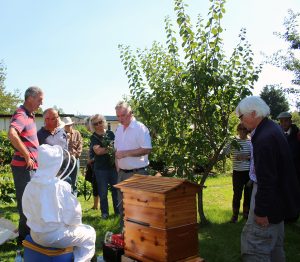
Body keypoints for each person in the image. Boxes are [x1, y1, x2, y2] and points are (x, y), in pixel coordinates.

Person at [236, 96, 300, 261]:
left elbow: (267, 179)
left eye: (241, 116)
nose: (241, 122)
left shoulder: (265, 138)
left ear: (254, 113)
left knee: (254, 247)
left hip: (269, 201)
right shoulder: (271, 128)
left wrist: (261, 211)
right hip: (278, 200)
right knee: (275, 247)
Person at [22, 144, 96, 262]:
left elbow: (26, 211)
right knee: (90, 233)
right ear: (56, 165)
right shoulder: (60, 186)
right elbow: (74, 216)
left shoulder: (31, 184)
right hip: (55, 237)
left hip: (35, 234)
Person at [8, 86, 43, 244]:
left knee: (31, 201)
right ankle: (24, 238)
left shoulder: (30, 115)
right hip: (23, 167)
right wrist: (26, 154)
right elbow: (12, 134)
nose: (41, 103)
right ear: (30, 98)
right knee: (26, 203)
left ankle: (29, 235)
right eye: (39, 99)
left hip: (30, 167)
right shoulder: (21, 114)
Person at [114, 101, 152, 226]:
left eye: (123, 115)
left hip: (138, 174)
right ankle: (124, 235)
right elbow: (116, 151)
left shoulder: (140, 128)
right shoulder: (119, 129)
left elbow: (147, 149)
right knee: (122, 207)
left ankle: (139, 236)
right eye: (118, 116)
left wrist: (126, 154)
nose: (120, 119)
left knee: (138, 207)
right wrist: (118, 168)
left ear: (130, 113)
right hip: (122, 174)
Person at [89, 114, 119, 219]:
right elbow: (98, 151)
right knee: (103, 192)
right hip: (100, 169)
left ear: (104, 121)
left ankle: (118, 213)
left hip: (113, 167)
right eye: (95, 124)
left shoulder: (110, 133)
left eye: (100, 122)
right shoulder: (93, 137)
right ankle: (104, 214)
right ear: (93, 125)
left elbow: (117, 146)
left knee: (116, 191)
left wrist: (110, 148)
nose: (98, 125)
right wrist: (111, 149)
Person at [228, 123, 252, 223]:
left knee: (248, 194)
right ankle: (235, 216)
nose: (242, 131)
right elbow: (225, 151)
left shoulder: (251, 141)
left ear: (247, 130)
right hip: (237, 172)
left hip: (248, 173)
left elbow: (255, 156)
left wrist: (247, 157)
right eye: (240, 129)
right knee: (237, 194)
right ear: (237, 130)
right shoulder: (233, 141)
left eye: (244, 129)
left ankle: (246, 215)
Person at [277, 111, 300, 184]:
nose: (283, 123)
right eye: (281, 121)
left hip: (296, 170)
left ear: (290, 121)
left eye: (286, 120)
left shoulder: (297, 134)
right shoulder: (276, 135)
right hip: (281, 170)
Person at [62, 117, 83, 196]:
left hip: (75, 160)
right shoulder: (61, 134)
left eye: (70, 125)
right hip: (65, 161)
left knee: (74, 180)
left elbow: (80, 145)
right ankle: (66, 198)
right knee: (65, 179)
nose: (68, 127)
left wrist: (76, 155)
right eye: (67, 125)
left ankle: (74, 199)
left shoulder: (76, 133)